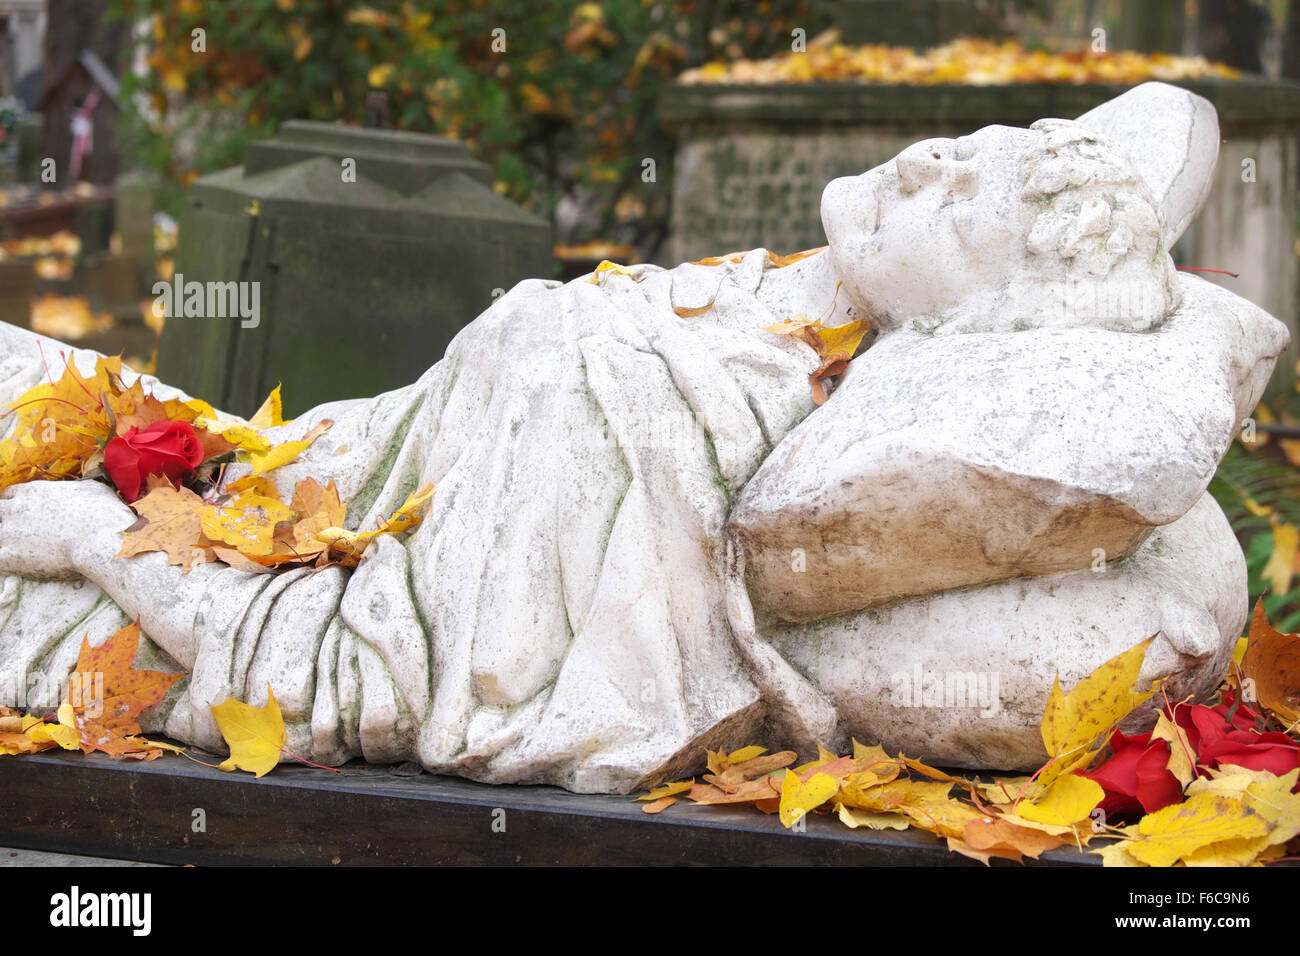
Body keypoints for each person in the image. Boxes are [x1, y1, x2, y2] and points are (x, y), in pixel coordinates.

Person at [0, 84, 1285, 792]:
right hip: (272, 479)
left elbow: (364, 681)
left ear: (964, 330)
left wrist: (106, 545)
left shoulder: (667, 423)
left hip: (201, 575)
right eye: (966, 146)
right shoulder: (773, 310)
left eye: (961, 207)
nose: (927, 160)